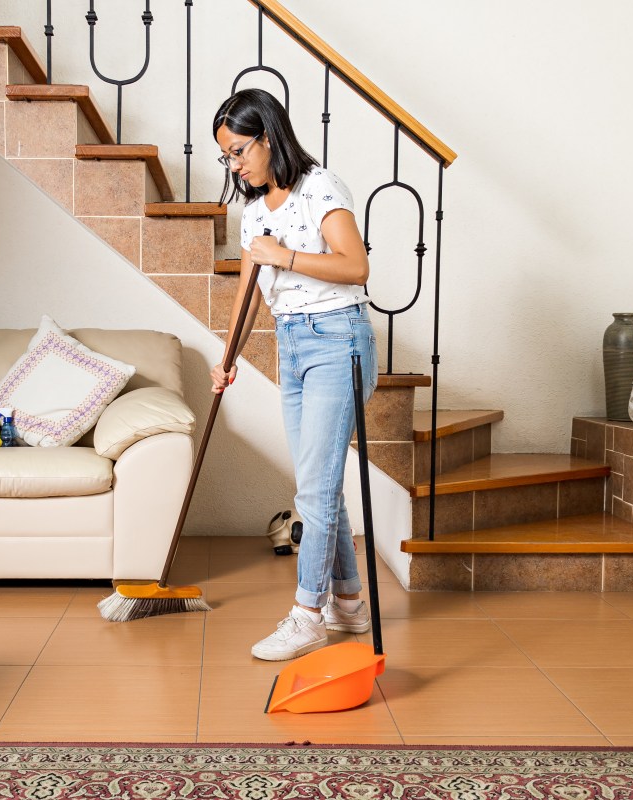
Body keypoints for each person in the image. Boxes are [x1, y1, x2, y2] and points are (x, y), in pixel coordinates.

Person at [211, 88, 378, 661]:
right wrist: (227, 356)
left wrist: (283, 255)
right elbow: (248, 290)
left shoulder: (321, 188)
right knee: (320, 481)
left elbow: (356, 267)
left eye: (238, 151)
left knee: (313, 488)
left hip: (339, 339)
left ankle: (308, 613)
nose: (235, 165)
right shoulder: (255, 211)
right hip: (292, 346)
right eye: (227, 157)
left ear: (267, 136)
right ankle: (351, 604)